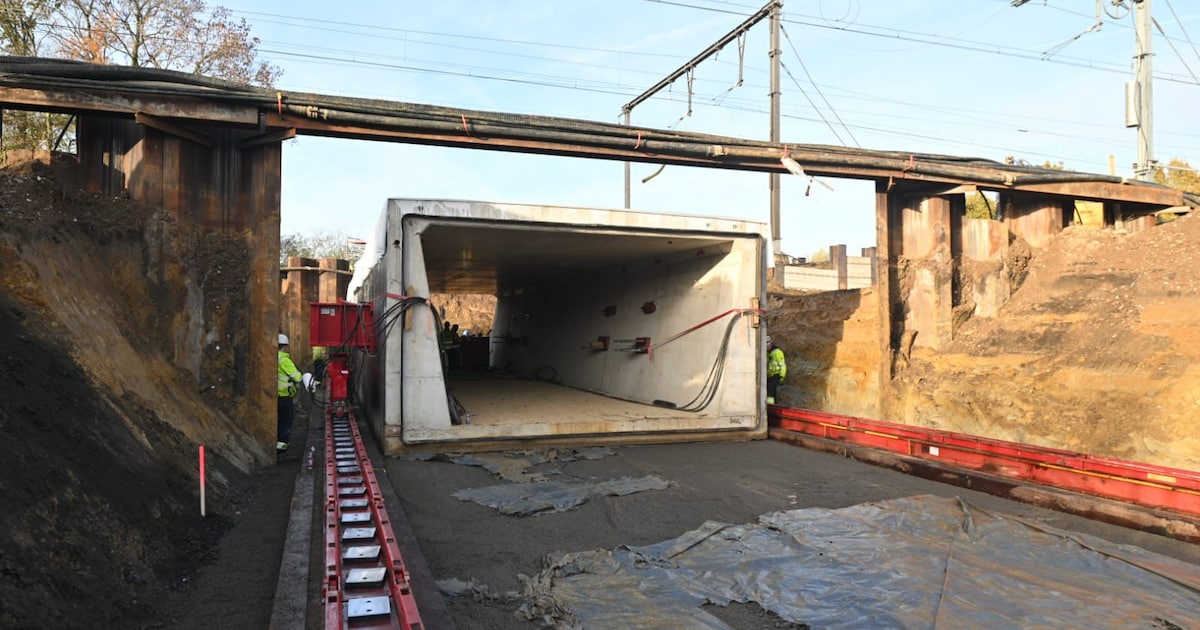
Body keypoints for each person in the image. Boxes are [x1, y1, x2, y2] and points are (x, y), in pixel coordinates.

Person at [277, 333, 303, 452]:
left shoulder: (270, 357)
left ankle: (276, 442)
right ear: (285, 346)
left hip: (273, 397)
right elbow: (297, 377)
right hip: (284, 397)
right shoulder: (284, 360)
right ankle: (282, 446)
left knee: (277, 421)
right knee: (286, 421)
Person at [766, 335, 786, 405]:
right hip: (769, 375)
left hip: (776, 375)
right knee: (768, 390)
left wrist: (782, 376)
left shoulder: (777, 352)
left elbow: (782, 365)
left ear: (770, 344)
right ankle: (770, 405)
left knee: (771, 390)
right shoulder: (768, 353)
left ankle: (771, 406)